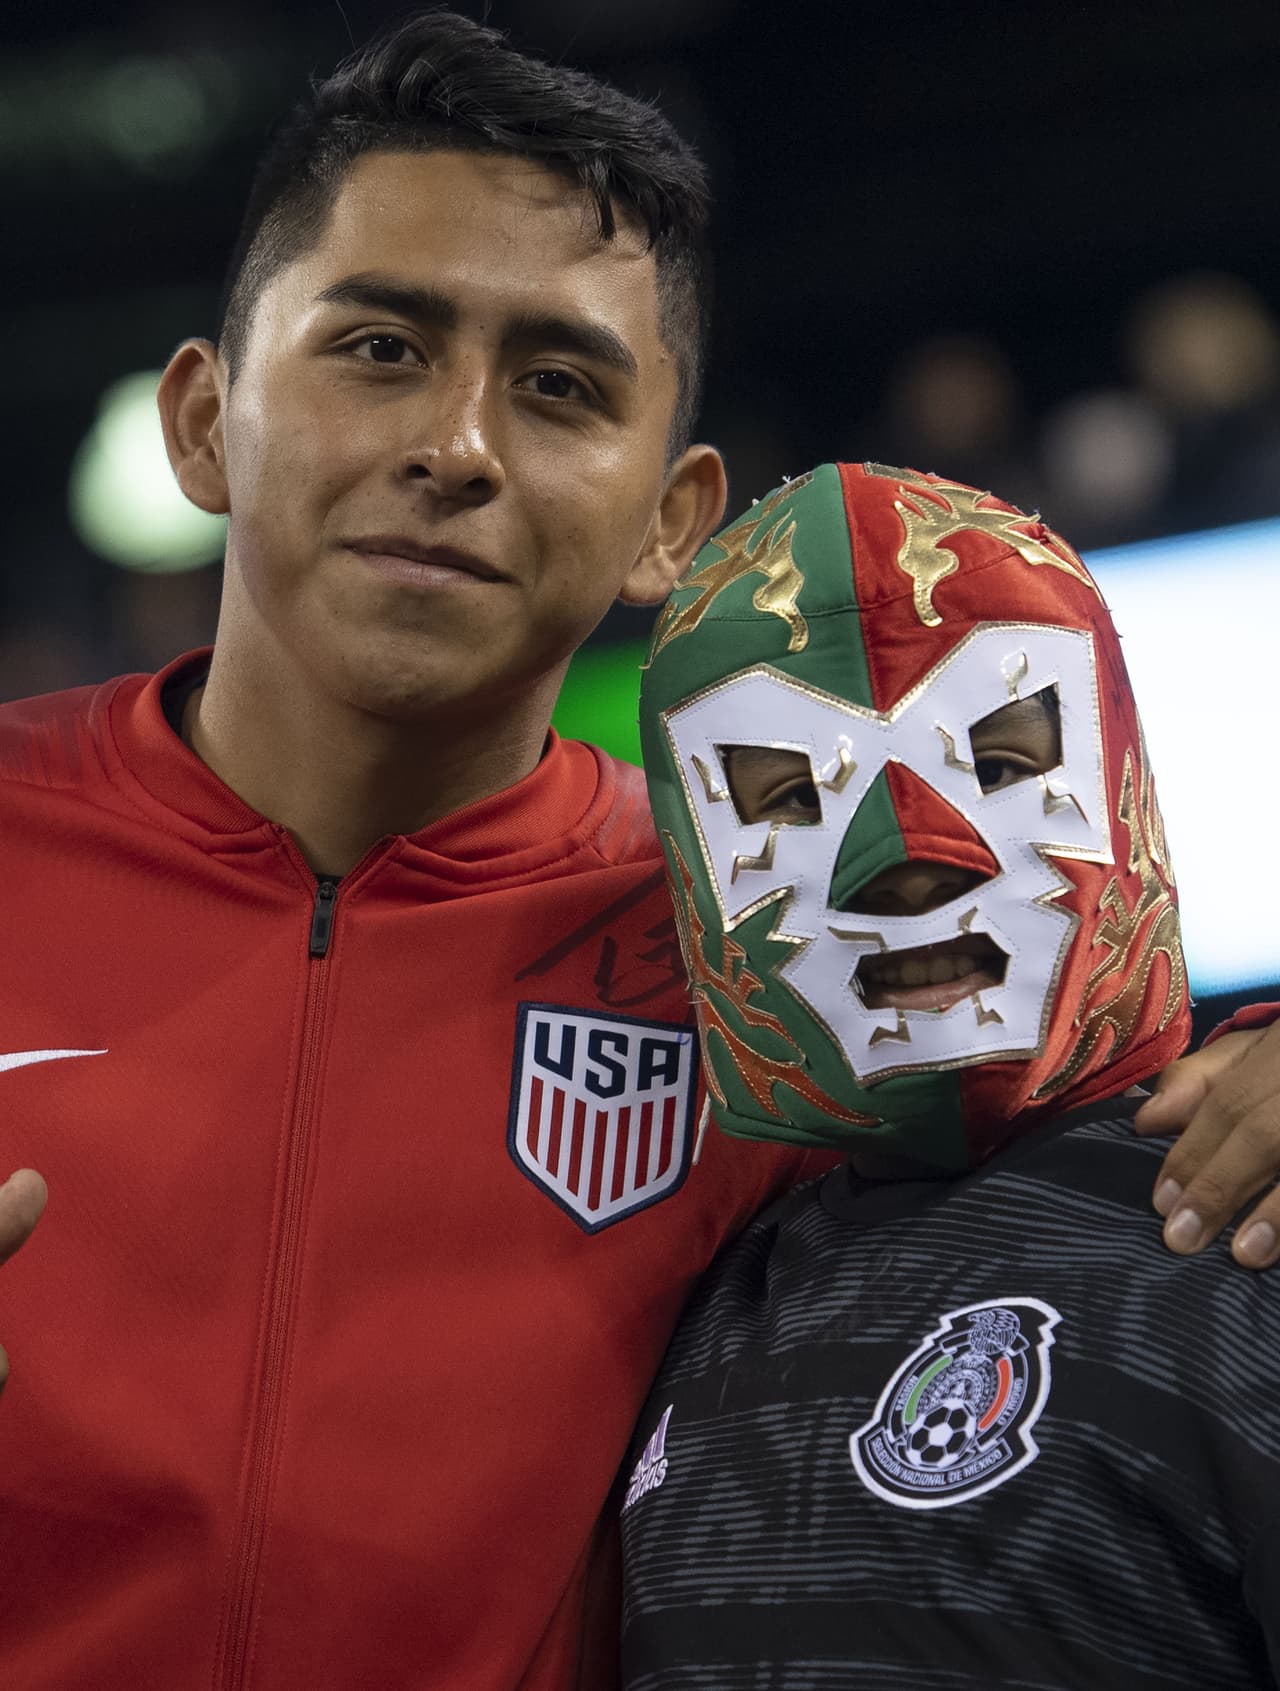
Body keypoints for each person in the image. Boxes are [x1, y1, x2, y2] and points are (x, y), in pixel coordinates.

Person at [0, 13, 1276, 1690]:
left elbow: (1100, 1123)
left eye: (558, 385)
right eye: (378, 346)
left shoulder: (775, 963)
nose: (456, 446)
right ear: (200, 421)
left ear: (672, 522)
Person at [621, 461, 1280, 1686]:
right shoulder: (694, 1284)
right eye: (787, 794)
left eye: (998, 755)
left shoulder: (1247, 1206)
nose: (903, 856)